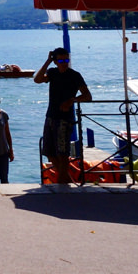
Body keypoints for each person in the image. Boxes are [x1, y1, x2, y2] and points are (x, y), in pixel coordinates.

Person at [34, 47, 92, 185]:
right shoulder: (52, 72)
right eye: (61, 60)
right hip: (51, 116)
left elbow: (87, 96)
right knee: (49, 151)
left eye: (66, 59)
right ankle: (65, 178)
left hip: (65, 119)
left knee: (62, 153)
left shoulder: (74, 75)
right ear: (56, 61)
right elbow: (37, 79)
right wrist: (48, 61)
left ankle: (62, 183)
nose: (64, 63)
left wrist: (72, 100)